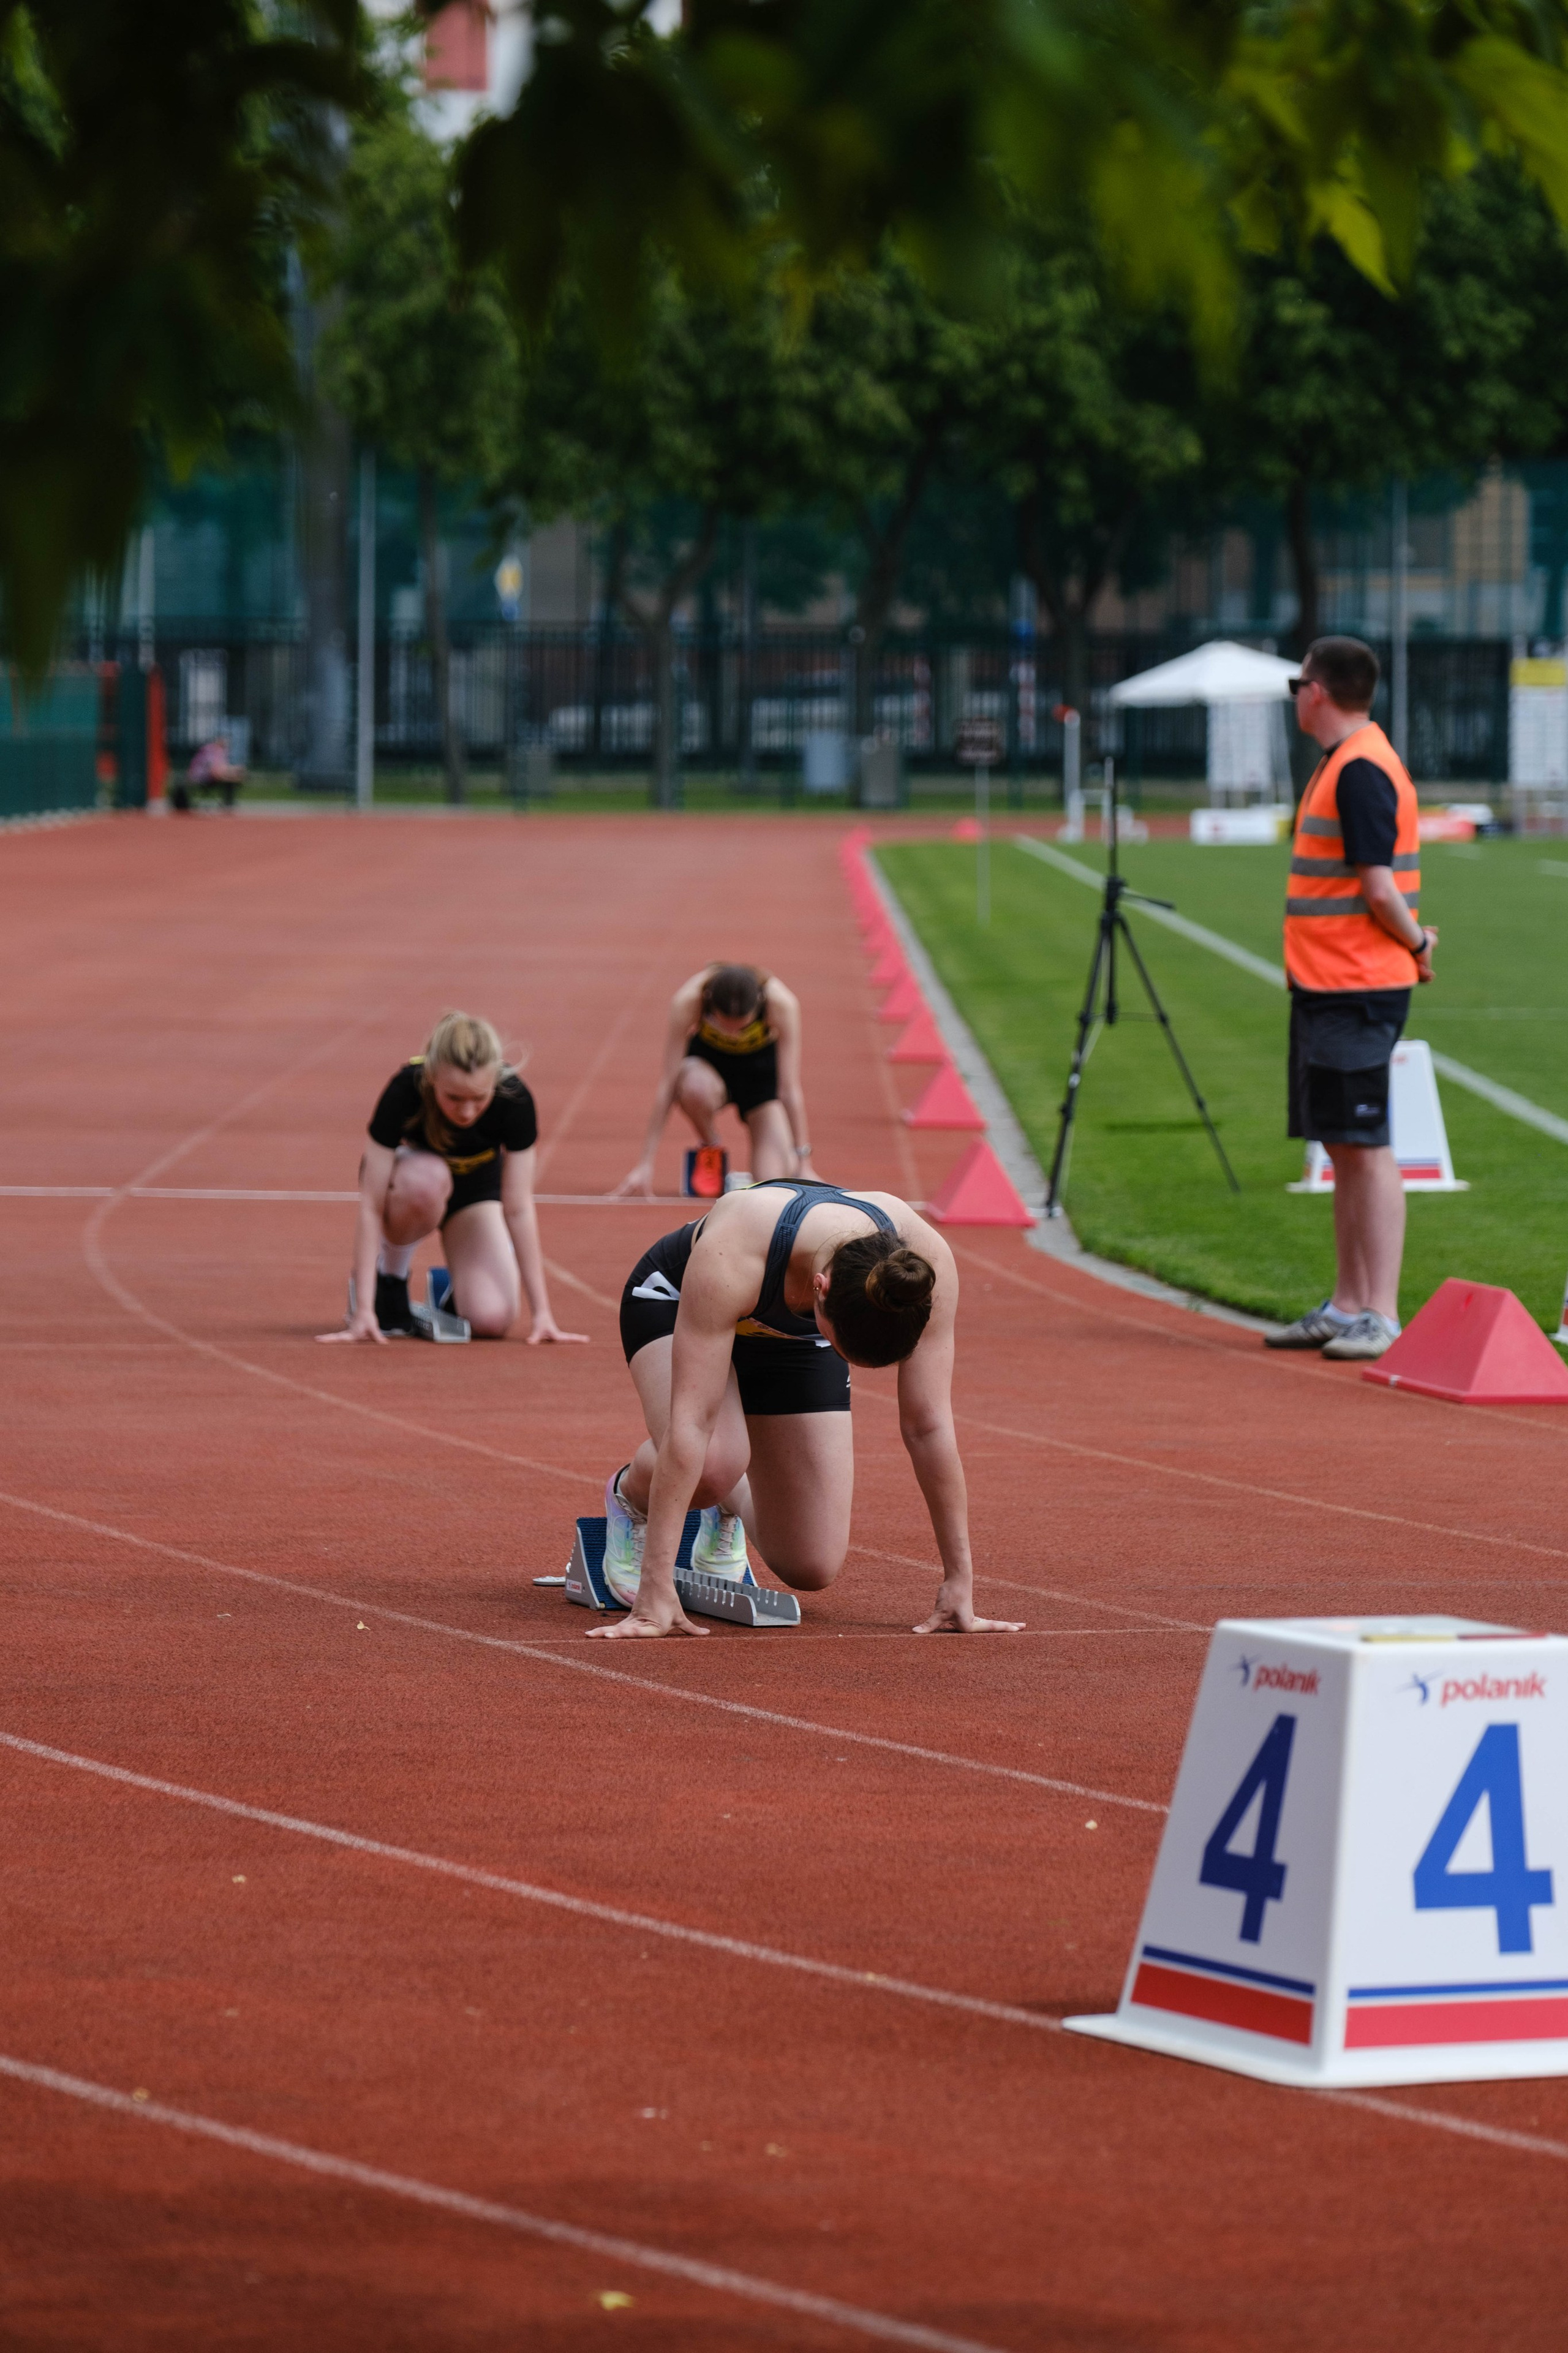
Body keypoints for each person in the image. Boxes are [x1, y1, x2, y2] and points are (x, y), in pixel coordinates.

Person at [590, 1176, 1025, 1639]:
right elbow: (691, 1422)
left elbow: (928, 1427)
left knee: (811, 1562)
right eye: (843, 1349)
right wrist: (655, 1589)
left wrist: (960, 1581)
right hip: (678, 1302)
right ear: (821, 1287)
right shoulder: (736, 1246)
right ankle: (630, 1498)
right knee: (713, 1461)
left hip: (796, 1336)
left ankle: (725, 1504)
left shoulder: (924, 1269)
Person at [1268, 635, 1436, 1363]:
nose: (1295, 696)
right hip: (1329, 985)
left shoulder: (1362, 766)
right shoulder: (1345, 762)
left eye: (1297, 683)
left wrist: (1417, 945)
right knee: (1342, 1145)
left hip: (1359, 987)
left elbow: (1377, 884)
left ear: (1320, 692)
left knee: (1366, 1148)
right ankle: (1346, 1303)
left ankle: (1381, 1311)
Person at [318, 1011, 587, 1346]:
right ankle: (391, 1280)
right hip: (413, 1187)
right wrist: (364, 1310)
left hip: (475, 1196)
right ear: (432, 1078)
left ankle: (449, 1288)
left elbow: (518, 1209)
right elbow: (371, 1204)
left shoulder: (515, 1099)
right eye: (455, 1098)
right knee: (427, 1180)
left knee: (491, 1320)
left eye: (479, 1098)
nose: (467, 1112)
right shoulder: (405, 1089)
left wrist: (542, 1314)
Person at [616, 964, 817, 1197]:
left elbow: (789, 1089)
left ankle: (764, 1170)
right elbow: (668, 1085)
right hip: (708, 1070)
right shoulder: (689, 1001)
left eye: (742, 1027)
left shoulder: (782, 1004)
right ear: (710, 1002)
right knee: (694, 1088)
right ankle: (711, 1148)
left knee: (772, 1183)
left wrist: (805, 1164)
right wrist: (645, 1164)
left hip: (760, 1078)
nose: (733, 1035)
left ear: (759, 1004)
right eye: (724, 1026)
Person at [172, 734, 246, 812]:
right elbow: (214, 771)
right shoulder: (210, 750)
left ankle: (228, 804)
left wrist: (233, 771)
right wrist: (231, 774)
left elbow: (221, 768)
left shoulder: (220, 752)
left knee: (231, 782)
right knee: (230, 781)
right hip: (200, 778)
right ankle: (228, 805)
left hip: (210, 778)